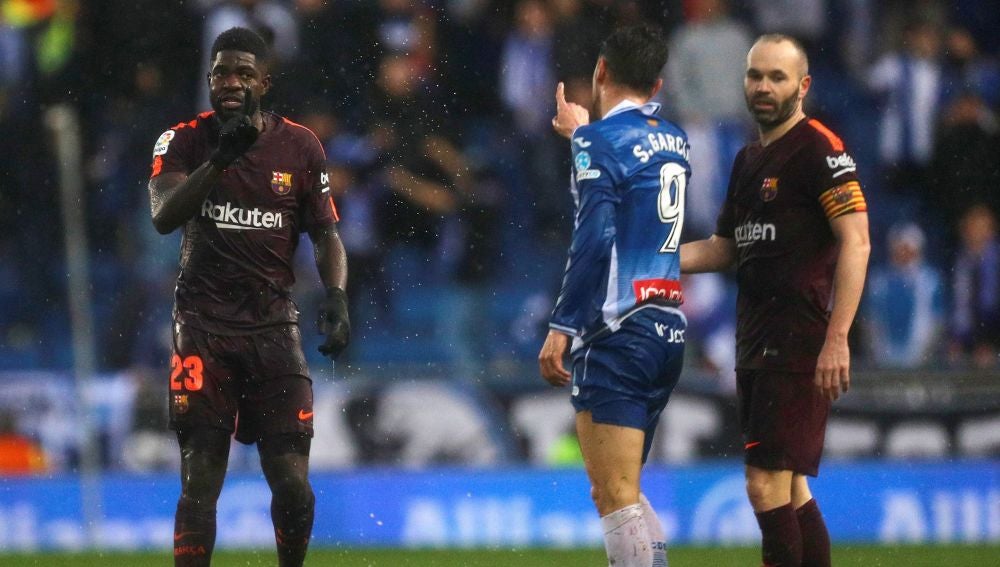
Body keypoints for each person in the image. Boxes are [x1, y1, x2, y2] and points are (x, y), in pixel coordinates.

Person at [147, 27, 349, 567]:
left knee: (293, 485)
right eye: (220, 73)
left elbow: (326, 233)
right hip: (202, 328)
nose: (229, 82)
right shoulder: (184, 140)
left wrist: (336, 295)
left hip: (273, 329)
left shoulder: (301, 146)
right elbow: (165, 217)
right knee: (201, 477)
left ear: (265, 80)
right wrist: (220, 161)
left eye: (242, 72)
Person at [680, 34, 870, 567]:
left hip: (798, 341)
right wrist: (654, 257)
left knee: (765, 488)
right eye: (755, 75)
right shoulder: (747, 159)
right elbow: (724, 248)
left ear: (803, 85)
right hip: (756, 341)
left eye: (777, 77)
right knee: (790, 492)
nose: (763, 87)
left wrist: (837, 337)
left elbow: (857, 240)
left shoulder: (820, 149)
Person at [539, 24, 689, 567]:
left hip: (618, 331)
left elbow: (596, 235)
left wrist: (562, 325)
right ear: (657, 83)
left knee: (616, 495)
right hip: (667, 328)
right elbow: (632, 180)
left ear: (600, 71)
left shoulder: (599, 143)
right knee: (618, 490)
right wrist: (583, 136)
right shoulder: (676, 138)